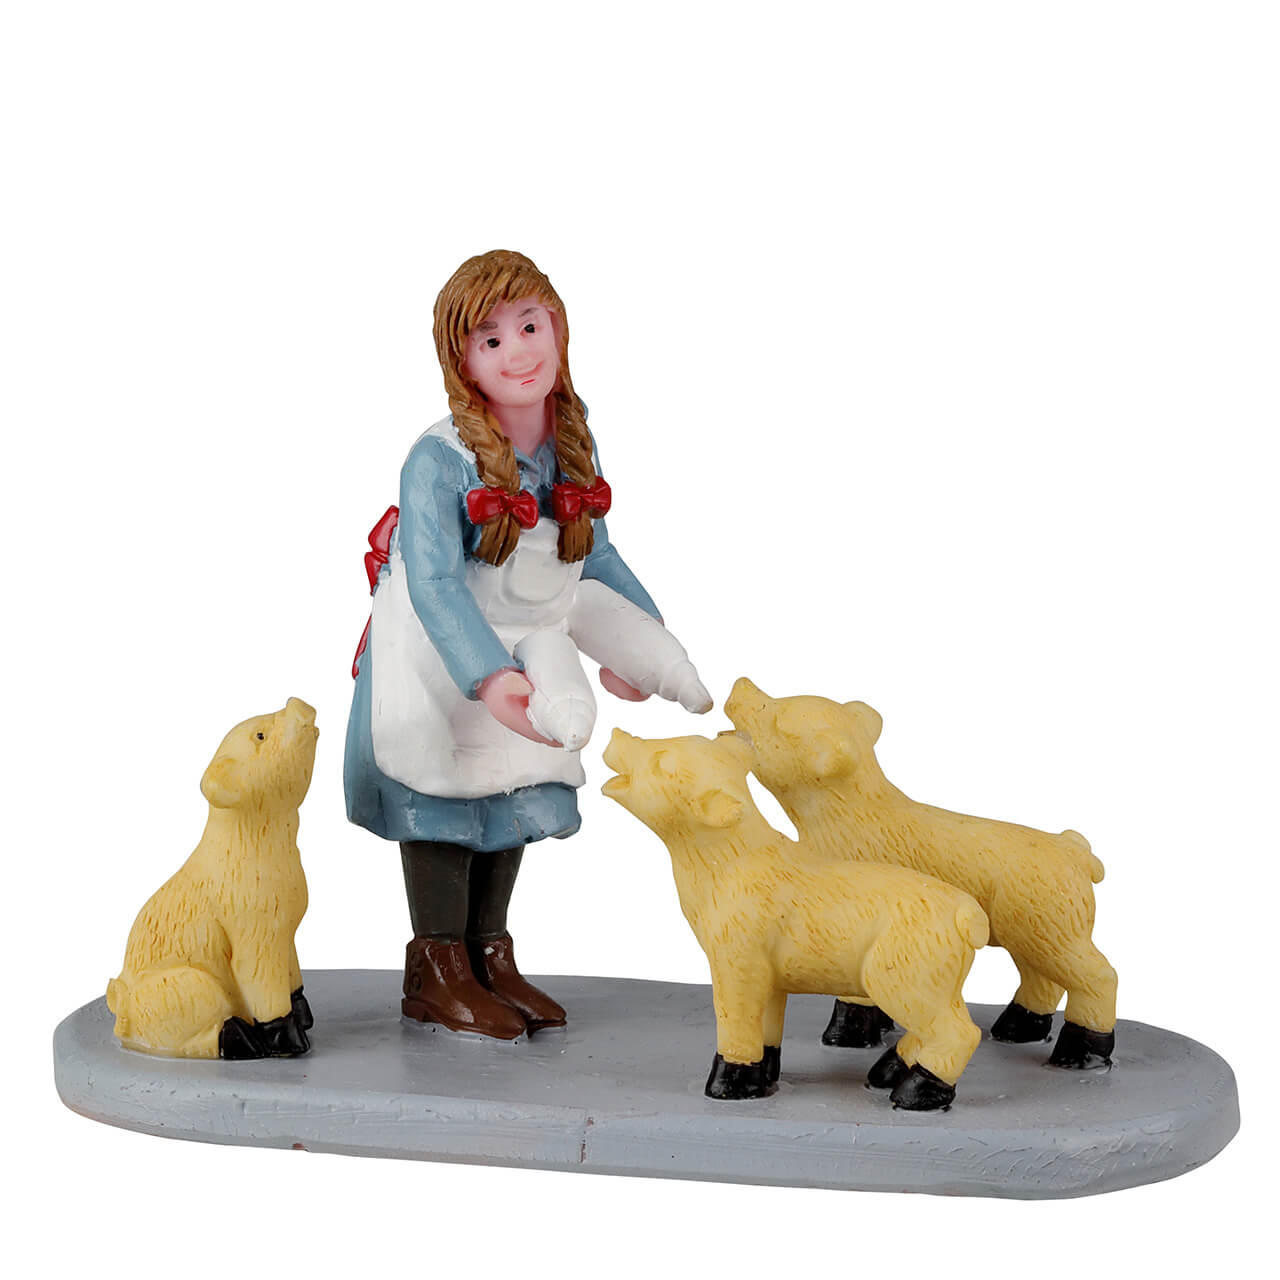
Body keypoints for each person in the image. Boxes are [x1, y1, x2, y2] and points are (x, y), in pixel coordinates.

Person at [344, 249, 711, 1039]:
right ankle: (438, 969)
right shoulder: (438, 459)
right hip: (439, 650)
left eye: (530, 325)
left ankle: (490, 955)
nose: (518, 351)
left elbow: (595, 555)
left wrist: (640, 643)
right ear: (463, 362)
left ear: (559, 328)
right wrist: (488, 677)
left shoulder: (570, 441)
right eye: (491, 339)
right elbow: (434, 580)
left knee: (513, 785)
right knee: (446, 791)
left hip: (531, 633)